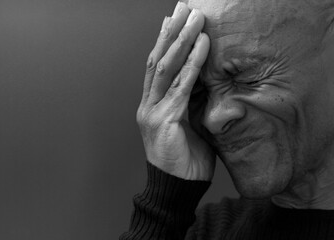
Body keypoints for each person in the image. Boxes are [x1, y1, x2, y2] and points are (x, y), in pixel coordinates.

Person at [121, 0, 334, 239]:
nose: (213, 119)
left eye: (247, 79)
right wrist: (164, 205)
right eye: (198, 92)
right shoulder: (207, 231)